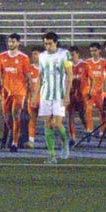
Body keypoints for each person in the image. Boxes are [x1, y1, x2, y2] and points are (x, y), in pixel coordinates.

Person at [36, 31, 72, 164]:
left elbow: (69, 75)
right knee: (47, 124)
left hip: (59, 94)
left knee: (57, 123)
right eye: (45, 44)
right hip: (46, 94)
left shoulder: (64, 54)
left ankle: (65, 142)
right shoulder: (42, 56)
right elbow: (40, 76)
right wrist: (35, 95)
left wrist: (67, 94)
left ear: (56, 43)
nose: (47, 46)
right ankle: (52, 155)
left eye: (50, 44)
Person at [0, 33, 32, 152]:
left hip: (19, 91)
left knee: (16, 115)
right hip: (6, 91)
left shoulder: (24, 58)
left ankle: (14, 143)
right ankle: (15, 131)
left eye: (13, 41)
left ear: (18, 43)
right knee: (6, 118)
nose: (11, 44)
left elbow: (28, 76)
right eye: (9, 41)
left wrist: (30, 93)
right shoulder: (2, 56)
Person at [82, 42, 106, 135]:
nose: (93, 53)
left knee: (102, 111)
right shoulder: (87, 62)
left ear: (99, 50)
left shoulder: (104, 63)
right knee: (88, 110)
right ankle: (90, 129)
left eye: (95, 50)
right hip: (90, 92)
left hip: (101, 92)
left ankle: (102, 130)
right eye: (91, 51)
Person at [66, 45, 87, 146]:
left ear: (78, 54)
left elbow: (91, 79)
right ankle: (72, 137)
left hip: (81, 95)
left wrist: (89, 91)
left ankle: (87, 129)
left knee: (82, 115)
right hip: (70, 94)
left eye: (73, 55)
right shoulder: (67, 65)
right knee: (70, 115)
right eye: (69, 55)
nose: (71, 57)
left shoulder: (84, 65)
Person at [24, 46, 42, 149]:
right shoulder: (28, 69)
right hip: (32, 99)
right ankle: (31, 141)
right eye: (32, 54)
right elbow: (25, 84)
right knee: (32, 119)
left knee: (50, 121)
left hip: (44, 99)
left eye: (36, 54)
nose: (33, 56)